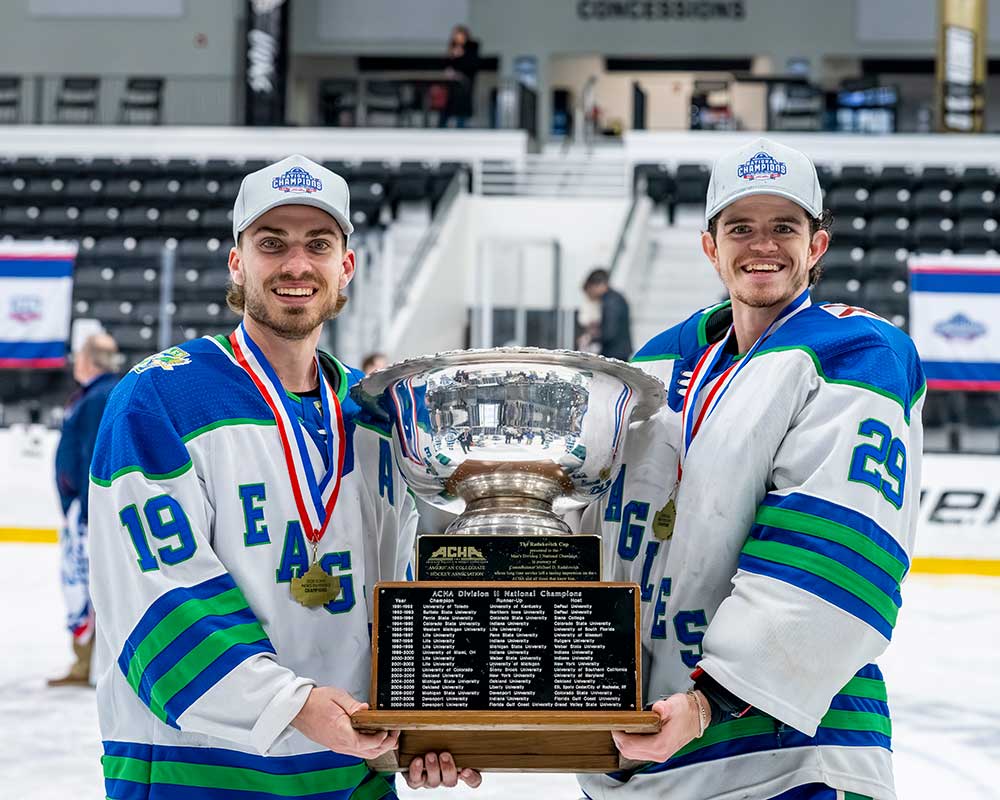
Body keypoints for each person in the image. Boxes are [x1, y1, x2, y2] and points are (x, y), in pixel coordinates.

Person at [88, 155, 480, 798]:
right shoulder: (160, 398)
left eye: (318, 245)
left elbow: (413, 590)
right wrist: (294, 705)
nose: (296, 265)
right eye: (272, 244)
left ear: (345, 265)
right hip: (199, 776)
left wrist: (432, 721)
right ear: (238, 262)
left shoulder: (382, 416)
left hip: (352, 774)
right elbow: (153, 599)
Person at [579, 138, 925, 799]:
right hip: (643, 764)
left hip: (792, 763)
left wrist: (710, 702)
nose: (761, 245)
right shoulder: (651, 365)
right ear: (711, 246)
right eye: (741, 227)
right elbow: (591, 534)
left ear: (816, 246)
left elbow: (839, 556)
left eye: (783, 228)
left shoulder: (856, 353)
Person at [49, 332, 119, 687]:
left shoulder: (98, 397)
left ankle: (88, 664)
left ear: (89, 360)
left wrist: (90, 511)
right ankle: (86, 662)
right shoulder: (98, 393)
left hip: (90, 512)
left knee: (86, 583)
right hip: (86, 508)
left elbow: (93, 456)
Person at [582, 268, 633, 361]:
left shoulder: (611, 301)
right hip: (618, 351)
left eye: (590, 290)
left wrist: (592, 338)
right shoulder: (614, 298)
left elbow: (610, 331)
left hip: (615, 353)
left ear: (597, 285)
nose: (591, 296)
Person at [439, 24, 479, 128]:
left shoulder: (472, 46)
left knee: (462, 108)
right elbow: (446, 64)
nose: (456, 37)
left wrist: (462, 55)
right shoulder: (452, 47)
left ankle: (461, 127)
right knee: (448, 107)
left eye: (458, 35)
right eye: (455, 35)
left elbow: (472, 64)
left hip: (465, 83)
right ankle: (441, 128)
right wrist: (451, 61)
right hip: (453, 84)